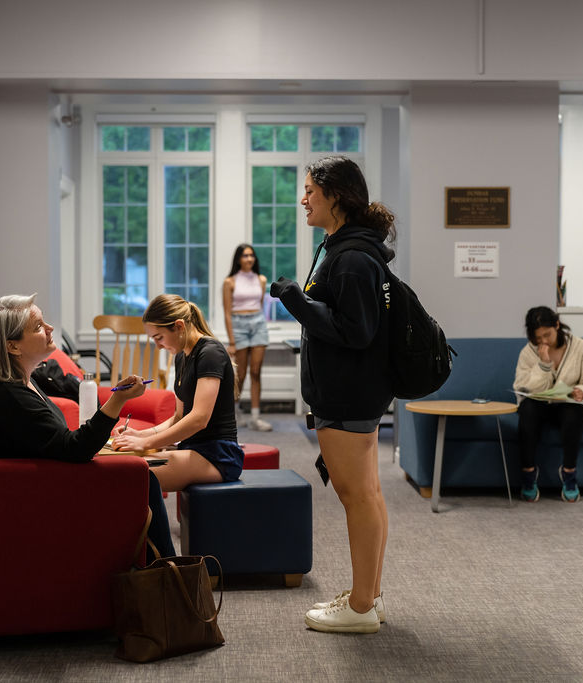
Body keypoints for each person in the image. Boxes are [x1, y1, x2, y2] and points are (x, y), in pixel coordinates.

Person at [269, 156, 393, 634]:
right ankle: (370, 598)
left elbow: (355, 331)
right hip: (349, 393)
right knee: (367, 495)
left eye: (309, 191)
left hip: (346, 395)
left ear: (335, 195)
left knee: (357, 497)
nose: (303, 200)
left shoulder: (352, 258)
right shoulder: (343, 249)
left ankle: (361, 607)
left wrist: (294, 299)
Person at [0, 294, 175, 559]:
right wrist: (118, 399)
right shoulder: (6, 397)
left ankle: (161, 575)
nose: (50, 329)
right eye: (38, 326)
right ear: (13, 347)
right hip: (37, 496)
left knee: (144, 479)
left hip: (44, 482)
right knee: (143, 478)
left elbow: (54, 441)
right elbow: (75, 450)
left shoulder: (20, 383)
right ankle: (166, 580)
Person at [112, 294, 244, 493]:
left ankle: (154, 525)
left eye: (159, 337)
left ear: (179, 326)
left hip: (218, 455)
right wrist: (141, 434)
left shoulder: (210, 353)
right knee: (122, 468)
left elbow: (199, 419)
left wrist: (144, 443)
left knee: (131, 475)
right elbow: (179, 417)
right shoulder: (181, 357)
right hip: (193, 449)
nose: (158, 346)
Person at [513, 305, 583, 503]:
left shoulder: (580, 347)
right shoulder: (528, 352)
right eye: (538, 338)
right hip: (540, 406)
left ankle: (569, 474)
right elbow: (523, 386)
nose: (544, 341)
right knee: (527, 409)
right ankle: (528, 475)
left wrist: (582, 392)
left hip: (567, 405)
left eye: (547, 334)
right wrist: (544, 365)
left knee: (574, 412)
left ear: (557, 325)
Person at [222, 243, 272, 432]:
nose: (249, 259)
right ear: (238, 259)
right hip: (239, 325)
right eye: (245, 256)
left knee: (256, 372)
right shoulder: (230, 282)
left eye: (251, 255)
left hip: (258, 324)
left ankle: (256, 417)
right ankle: (234, 412)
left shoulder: (260, 279)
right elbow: (227, 313)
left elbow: (259, 305)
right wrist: (232, 341)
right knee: (240, 374)